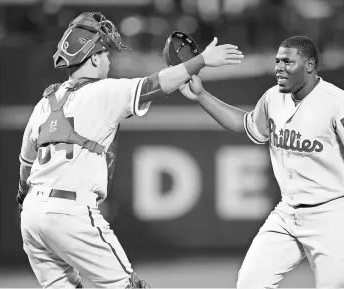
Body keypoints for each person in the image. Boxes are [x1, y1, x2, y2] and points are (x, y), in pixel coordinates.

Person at [17, 12, 243, 288]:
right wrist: (202, 60)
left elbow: (26, 164)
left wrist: (26, 201)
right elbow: (155, 84)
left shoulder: (44, 103)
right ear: (94, 58)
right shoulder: (102, 92)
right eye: (106, 54)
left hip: (31, 217)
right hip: (69, 211)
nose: (110, 60)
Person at [179, 35, 344, 288]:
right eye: (277, 61)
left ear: (309, 65)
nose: (279, 67)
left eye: (287, 62)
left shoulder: (339, 104)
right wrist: (201, 96)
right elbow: (245, 125)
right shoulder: (272, 98)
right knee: (250, 283)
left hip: (334, 214)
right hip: (288, 212)